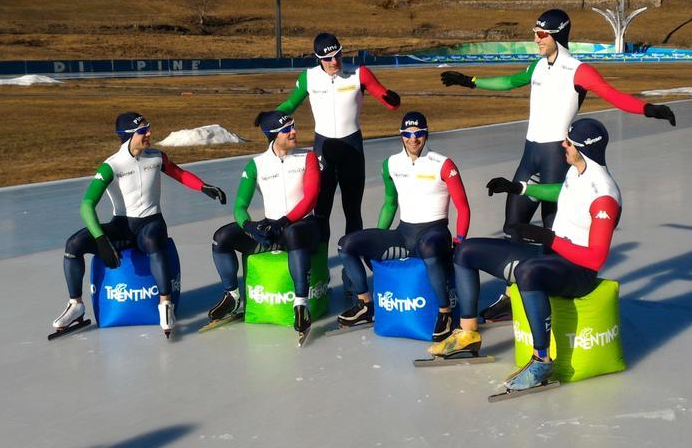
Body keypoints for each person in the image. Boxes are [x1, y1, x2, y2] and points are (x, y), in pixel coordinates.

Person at [440, 8, 672, 321]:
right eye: (534, 33)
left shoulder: (579, 70)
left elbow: (613, 96)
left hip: (556, 156)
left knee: (552, 229)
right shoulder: (537, 66)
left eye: (541, 34)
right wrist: (471, 81)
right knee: (513, 224)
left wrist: (648, 109)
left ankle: (541, 287)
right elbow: (510, 81)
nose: (535, 39)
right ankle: (514, 291)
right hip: (530, 151)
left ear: (558, 35)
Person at [429, 118, 622, 394]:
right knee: (466, 251)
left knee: (527, 272)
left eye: (569, 142)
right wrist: (519, 188)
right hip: (551, 255)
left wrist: (549, 237)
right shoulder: (578, 173)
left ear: (584, 148)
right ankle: (468, 333)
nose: (563, 145)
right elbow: (563, 192)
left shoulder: (604, 195)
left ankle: (542, 360)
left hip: (577, 272)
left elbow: (595, 259)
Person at [53, 112, 227, 337]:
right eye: (143, 131)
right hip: (122, 225)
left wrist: (204, 187)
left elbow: (179, 173)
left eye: (149, 128)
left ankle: (165, 304)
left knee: (151, 240)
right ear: (128, 136)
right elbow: (87, 205)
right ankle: (75, 304)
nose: (149, 133)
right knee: (73, 245)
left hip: (151, 222)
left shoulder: (156, 157)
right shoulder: (111, 166)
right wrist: (100, 239)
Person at [336, 111, 471, 340]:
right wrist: (379, 233)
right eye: (408, 134)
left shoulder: (443, 164)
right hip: (404, 234)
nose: (413, 139)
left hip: (435, 233)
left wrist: (459, 239)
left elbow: (463, 207)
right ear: (401, 135)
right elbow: (390, 203)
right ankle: (365, 304)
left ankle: (445, 312)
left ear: (426, 134)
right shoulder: (391, 164)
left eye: (418, 133)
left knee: (429, 248)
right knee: (346, 245)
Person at [266, 32, 401, 244]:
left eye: (338, 55)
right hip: (323, 149)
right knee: (320, 211)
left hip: (352, 149)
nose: (334, 62)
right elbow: (290, 105)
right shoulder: (308, 77)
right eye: (327, 58)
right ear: (318, 58)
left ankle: (351, 262)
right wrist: (270, 117)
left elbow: (388, 100)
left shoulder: (359, 73)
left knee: (353, 211)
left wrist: (393, 100)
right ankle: (320, 267)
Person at [208, 110, 322, 339]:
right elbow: (240, 205)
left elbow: (311, 197)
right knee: (221, 237)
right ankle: (232, 296)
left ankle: (301, 305)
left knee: (293, 233)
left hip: (304, 226)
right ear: (273, 134)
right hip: (274, 226)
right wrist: (249, 226)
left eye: (293, 126)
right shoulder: (256, 165)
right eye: (287, 129)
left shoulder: (307, 158)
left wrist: (286, 221)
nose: (294, 131)